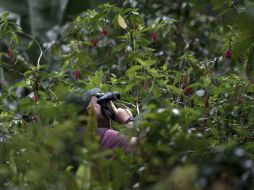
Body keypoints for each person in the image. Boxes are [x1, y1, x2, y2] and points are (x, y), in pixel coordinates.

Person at [66, 88, 137, 152]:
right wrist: (128, 120)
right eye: (98, 103)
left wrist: (105, 119)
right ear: (90, 110)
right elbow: (142, 145)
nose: (100, 106)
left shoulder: (68, 139)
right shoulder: (107, 136)